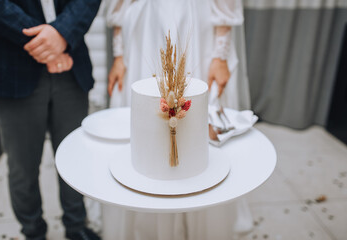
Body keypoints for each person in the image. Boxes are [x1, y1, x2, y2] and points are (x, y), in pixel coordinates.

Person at [104, 0, 252, 239]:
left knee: (196, 120)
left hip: (196, 20)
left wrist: (220, 54)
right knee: (147, 116)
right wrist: (119, 53)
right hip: (146, 28)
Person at [0, 0, 101, 239]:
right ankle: (33, 231)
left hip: (71, 65)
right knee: (22, 166)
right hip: (11, 66)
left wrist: (62, 34)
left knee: (75, 158)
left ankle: (76, 225)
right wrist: (47, 43)